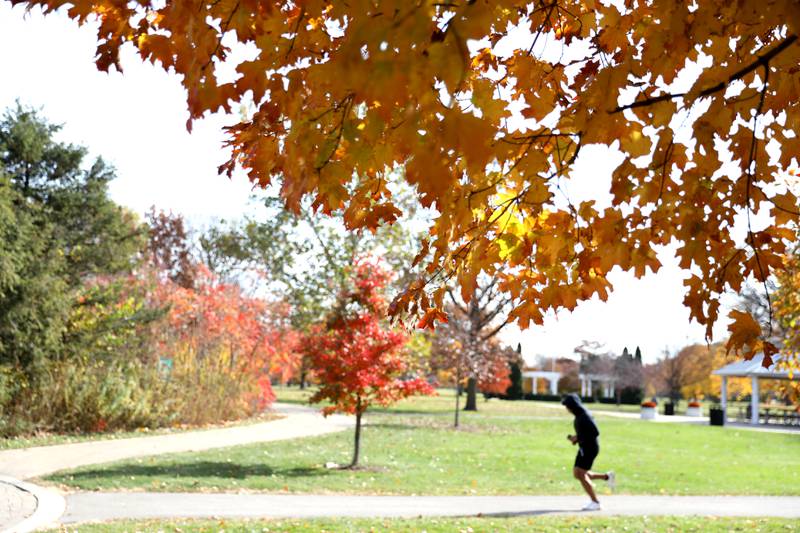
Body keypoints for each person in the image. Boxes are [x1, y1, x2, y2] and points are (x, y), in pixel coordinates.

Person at [561, 393, 615, 511]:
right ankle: (607, 477)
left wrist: (578, 438)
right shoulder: (580, 415)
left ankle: (595, 502)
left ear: (573, 406)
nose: (567, 409)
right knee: (577, 473)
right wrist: (576, 438)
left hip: (589, 448)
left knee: (580, 474)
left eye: (567, 406)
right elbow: (585, 432)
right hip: (584, 447)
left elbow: (595, 432)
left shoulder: (584, 416)